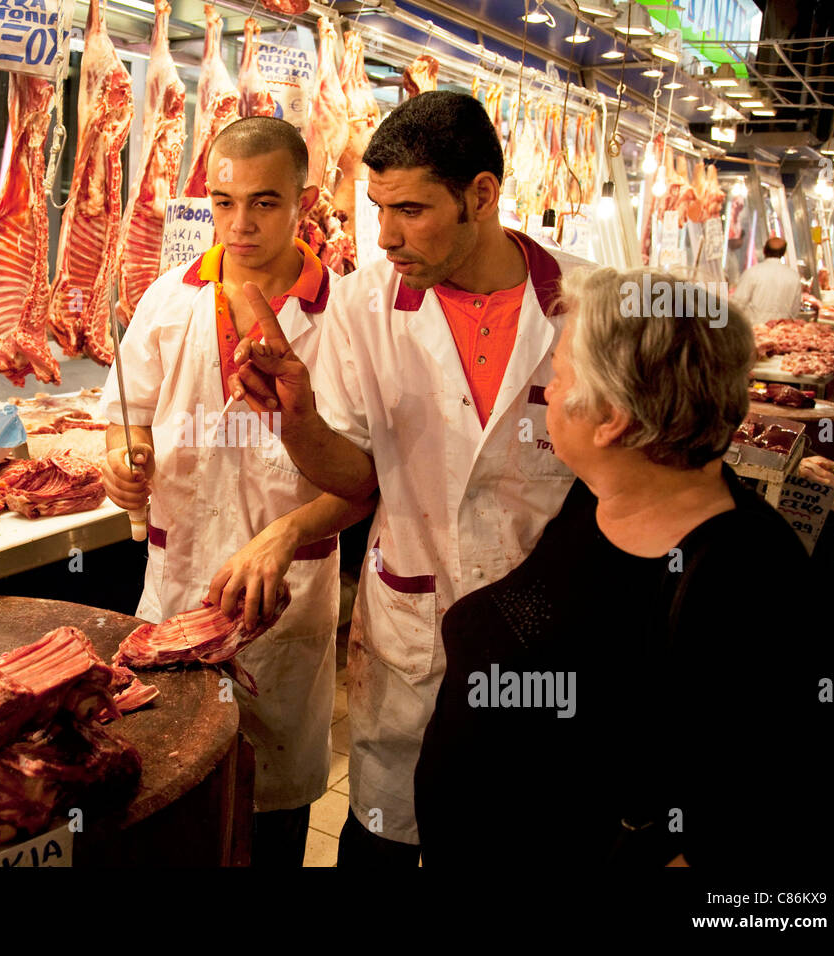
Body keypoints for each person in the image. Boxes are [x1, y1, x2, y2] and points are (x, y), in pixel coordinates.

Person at [221, 91, 585, 865]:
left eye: (411, 210)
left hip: (544, 632)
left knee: (517, 840)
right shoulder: (364, 305)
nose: (384, 236)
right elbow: (357, 477)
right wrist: (298, 418)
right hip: (415, 626)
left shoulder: (586, 302)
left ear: (482, 195)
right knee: (388, 833)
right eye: (377, 207)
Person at [414, 269, 834, 866]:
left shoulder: (748, 583)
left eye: (559, 375)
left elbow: (784, 834)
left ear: (614, 420)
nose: (549, 393)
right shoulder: (598, 497)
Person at [98, 117, 361, 867]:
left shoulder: (344, 316)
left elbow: (369, 474)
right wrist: (125, 459)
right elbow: (125, 420)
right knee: (172, 794)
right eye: (223, 202)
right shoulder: (166, 301)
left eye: (265, 203)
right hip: (175, 584)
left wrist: (284, 536)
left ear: (305, 202)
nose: (239, 224)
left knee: (272, 812)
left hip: (285, 599)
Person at [731, 236, 800, 324]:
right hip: (782, 329)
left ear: (764, 251)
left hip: (756, 328)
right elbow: (795, 310)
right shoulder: (794, 276)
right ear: (783, 253)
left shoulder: (752, 272)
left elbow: (738, 303)